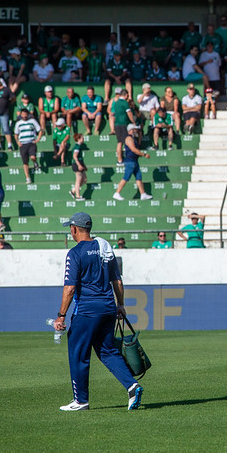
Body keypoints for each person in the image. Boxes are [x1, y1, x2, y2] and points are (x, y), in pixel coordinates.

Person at [54, 212, 143, 411]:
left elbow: (69, 288)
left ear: (74, 229)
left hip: (87, 310)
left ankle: (80, 401)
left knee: (78, 353)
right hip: (108, 308)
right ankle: (132, 386)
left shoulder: (75, 253)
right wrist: (120, 305)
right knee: (107, 350)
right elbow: (117, 281)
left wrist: (61, 315)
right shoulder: (104, 246)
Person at [112, 125, 152, 201]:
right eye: (135, 130)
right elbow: (133, 149)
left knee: (138, 177)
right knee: (126, 177)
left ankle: (143, 194)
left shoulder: (133, 139)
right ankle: (117, 193)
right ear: (131, 130)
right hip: (130, 161)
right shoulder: (129, 138)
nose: (136, 131)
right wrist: (144, 154)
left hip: (134, 161)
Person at [14, 108, 42, 184]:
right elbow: (16, 134)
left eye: (25, 114)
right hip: (23, 144)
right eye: (23, 114)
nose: (24, 116)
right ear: (21, 115)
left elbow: (40, 130)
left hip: (31, 143)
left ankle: (35, 162)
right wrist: (18, 142)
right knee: (25, 162)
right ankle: (27, 177)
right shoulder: (18, 123)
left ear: (28, 114)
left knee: (33, 157)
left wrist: (38, 139)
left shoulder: (32, 121)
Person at [70, 133, 87, 201]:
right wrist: (79, 165)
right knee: (78, 180)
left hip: (80, 163)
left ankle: (73, 191)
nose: (83, 139)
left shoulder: (79, 146)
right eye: (82, 138)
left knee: (84, 179)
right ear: (78, 139)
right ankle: (78, 196)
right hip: (77, 164)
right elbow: (75, 156)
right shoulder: (77, 146)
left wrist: (84, 166)